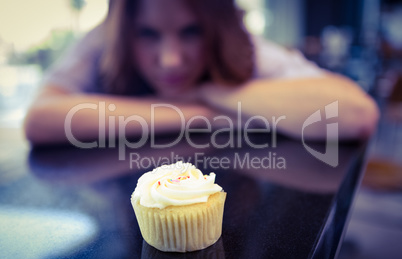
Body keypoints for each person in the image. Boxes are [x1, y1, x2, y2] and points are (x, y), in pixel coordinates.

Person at [24, 0, 379, 145]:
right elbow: (41, 120)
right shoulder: (105, 38)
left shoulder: (241, 46)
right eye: (148, 34)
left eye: (190, 32)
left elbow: (354, 114)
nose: (171, 61)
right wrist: (204, 115)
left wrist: (214, 91)